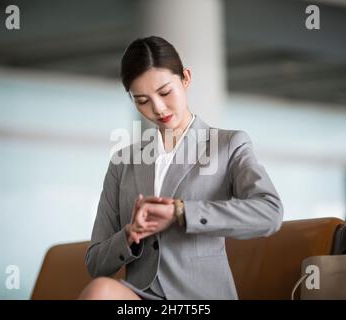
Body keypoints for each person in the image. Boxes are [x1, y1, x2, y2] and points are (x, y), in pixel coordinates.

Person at [78, 36, 284, 300]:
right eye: (142, 100)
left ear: (185, 78)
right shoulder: (123, 162)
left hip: (199, 298)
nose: (158, 108)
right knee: (100, 293)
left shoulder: (228, 144)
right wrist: (130, 235)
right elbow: (95, 263)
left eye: (165, 92)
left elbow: (269, 213)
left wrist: (181, 212)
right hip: (142, 297)